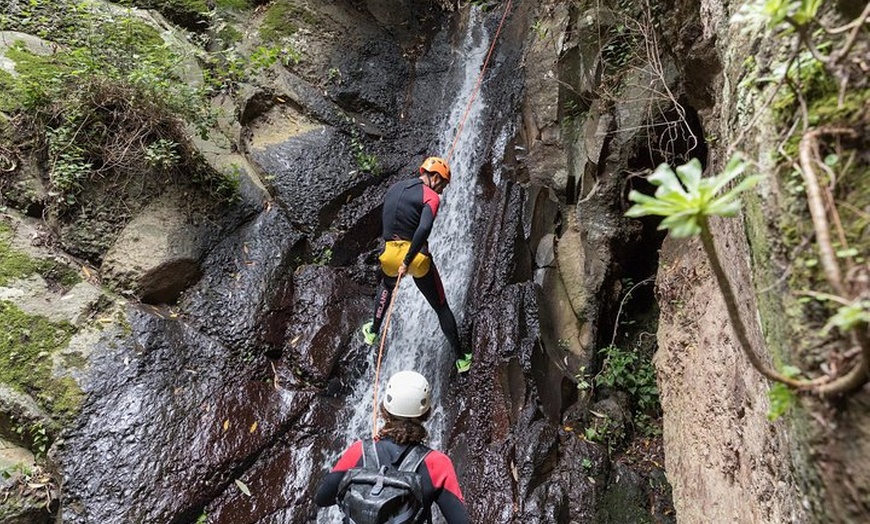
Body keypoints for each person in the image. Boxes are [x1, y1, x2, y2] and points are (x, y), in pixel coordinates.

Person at [361, 156, 472, 373]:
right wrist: (408, 259)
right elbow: (424, 228)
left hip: (389, 253)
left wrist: (399, 259)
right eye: (443, 184)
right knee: (440, 306)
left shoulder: (394, 188)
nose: (441, 191)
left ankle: (373, 330)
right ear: (435, 176)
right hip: (416, 257)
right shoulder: (430, 196)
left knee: (386, 286)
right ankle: (461, 359)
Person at [315, 370, 470, 524]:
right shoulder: (436, 463)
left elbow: (323, 498)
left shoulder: (359, 451)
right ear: (427, 413)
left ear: (385, 410)